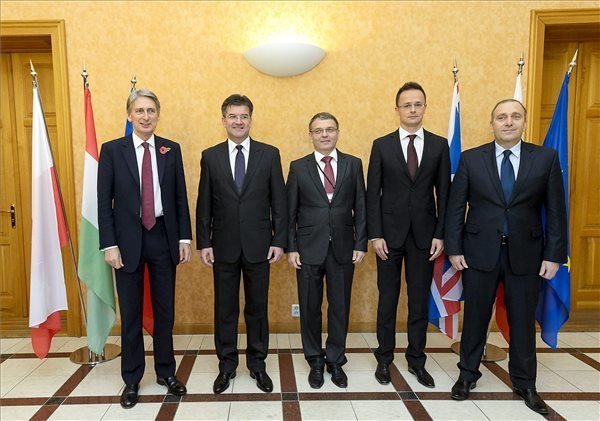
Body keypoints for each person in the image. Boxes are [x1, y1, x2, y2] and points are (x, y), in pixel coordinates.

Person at [445, 99, 567, 415]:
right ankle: (467, 376)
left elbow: (556, 210)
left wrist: (554, 254)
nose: (508, 122)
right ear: (492, 123)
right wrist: (454, 248)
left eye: (515, 116)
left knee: (523, 321)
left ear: (524, 122)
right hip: (478, 253)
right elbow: (456, 208)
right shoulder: (471, 159)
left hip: (527, 255)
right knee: (475, 318)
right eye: (501, 117)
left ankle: (525, 383)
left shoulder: (546, 159)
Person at [98, 89, 192, 409]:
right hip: (126, 242)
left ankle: (166, 372)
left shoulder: (170, 149)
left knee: (165, 311)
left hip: (163, 237)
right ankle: (132, 378)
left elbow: (180, 197)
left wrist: (184, 238)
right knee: (132, 312)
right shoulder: (112, 150)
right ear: (129, 115)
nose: (145, 116)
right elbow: (104, 202)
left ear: (158, 115)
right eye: (139, 111)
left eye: (151, 110)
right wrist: (109, 244)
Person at [196, 94, 287, 394]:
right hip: (222, 246)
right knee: (225, 309)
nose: (238, 121)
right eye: (233, 116)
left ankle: (257, 364)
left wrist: (279, 240)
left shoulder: (269, 154)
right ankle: (227, 365)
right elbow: (204, 203)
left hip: (260, 246)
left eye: (244, 116)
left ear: (250, 119)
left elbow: (279, 202)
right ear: (223, 120)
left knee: (257, 309)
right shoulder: (210, 156)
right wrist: (204, 242)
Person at [366, 82, 450, 388]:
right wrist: (375, 234)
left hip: (425, 238)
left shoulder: (439, 145)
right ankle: (384, 359)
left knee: (418, 302)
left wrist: (441, 234)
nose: (412, 109)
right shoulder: (381, 145)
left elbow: (445, 193)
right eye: (407, 105)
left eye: (418, 104)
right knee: (387, 300)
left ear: (425, 107)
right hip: (388, 238)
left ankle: (417, 360)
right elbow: (372, 194)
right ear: (397, 109)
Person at [286, 112, 367, 389]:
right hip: (308, 248)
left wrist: (360, 243)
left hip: (343, 248)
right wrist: (291, 247)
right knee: (310, 307)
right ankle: (315, 361)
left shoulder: (353, 164)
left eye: (330, 129)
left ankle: (335, 360)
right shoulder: (298, 167)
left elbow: (361, 206)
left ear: (337, 132)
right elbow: (290, 211)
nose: (324, 135)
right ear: (310, 135)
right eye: (318, 130)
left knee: (340, 307)